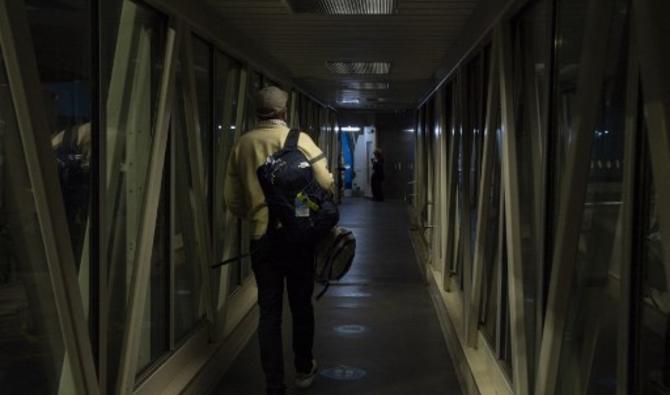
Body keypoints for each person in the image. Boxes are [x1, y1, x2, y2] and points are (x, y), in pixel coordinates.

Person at [223, 86, 334, 395]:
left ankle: (274, 384)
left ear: (256, 111)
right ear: (285, 111)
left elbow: (232, 200)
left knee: (269, 312)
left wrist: (257, 213)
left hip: (263, 238)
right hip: (298, 237)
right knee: (301, 304)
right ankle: (303, 367)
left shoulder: (242, 144)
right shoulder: (299, 140)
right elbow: (325, 182)